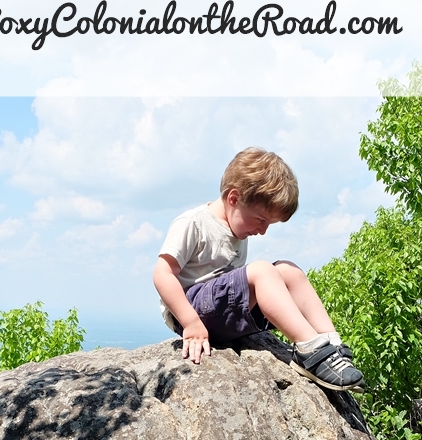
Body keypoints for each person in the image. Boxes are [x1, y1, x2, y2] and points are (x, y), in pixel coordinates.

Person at [153, 146, 365, 392]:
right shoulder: (194, 223)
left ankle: (331, 344)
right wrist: (190, 323)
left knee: (288, 271)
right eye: (261, 220)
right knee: (263, 270)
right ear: (234, 198)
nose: (263, 231)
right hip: (192, 313)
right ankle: (310, 349)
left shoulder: (237, 226)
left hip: (226, 314)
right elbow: (162, 273)